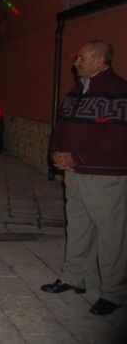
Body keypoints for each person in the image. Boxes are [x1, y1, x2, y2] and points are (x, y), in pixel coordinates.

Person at [40, 40, 127, 316]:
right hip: (75, 174)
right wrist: (56, 154)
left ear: (100, 61)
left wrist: (78, 157)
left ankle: (113, 292)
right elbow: (61, 125)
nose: (75, 63)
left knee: (111, 234)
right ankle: (73, 277)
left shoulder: (118, 91)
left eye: (82, 58)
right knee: (78, 226)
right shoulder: (78, 90)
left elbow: (117, 136)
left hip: (103, 175)